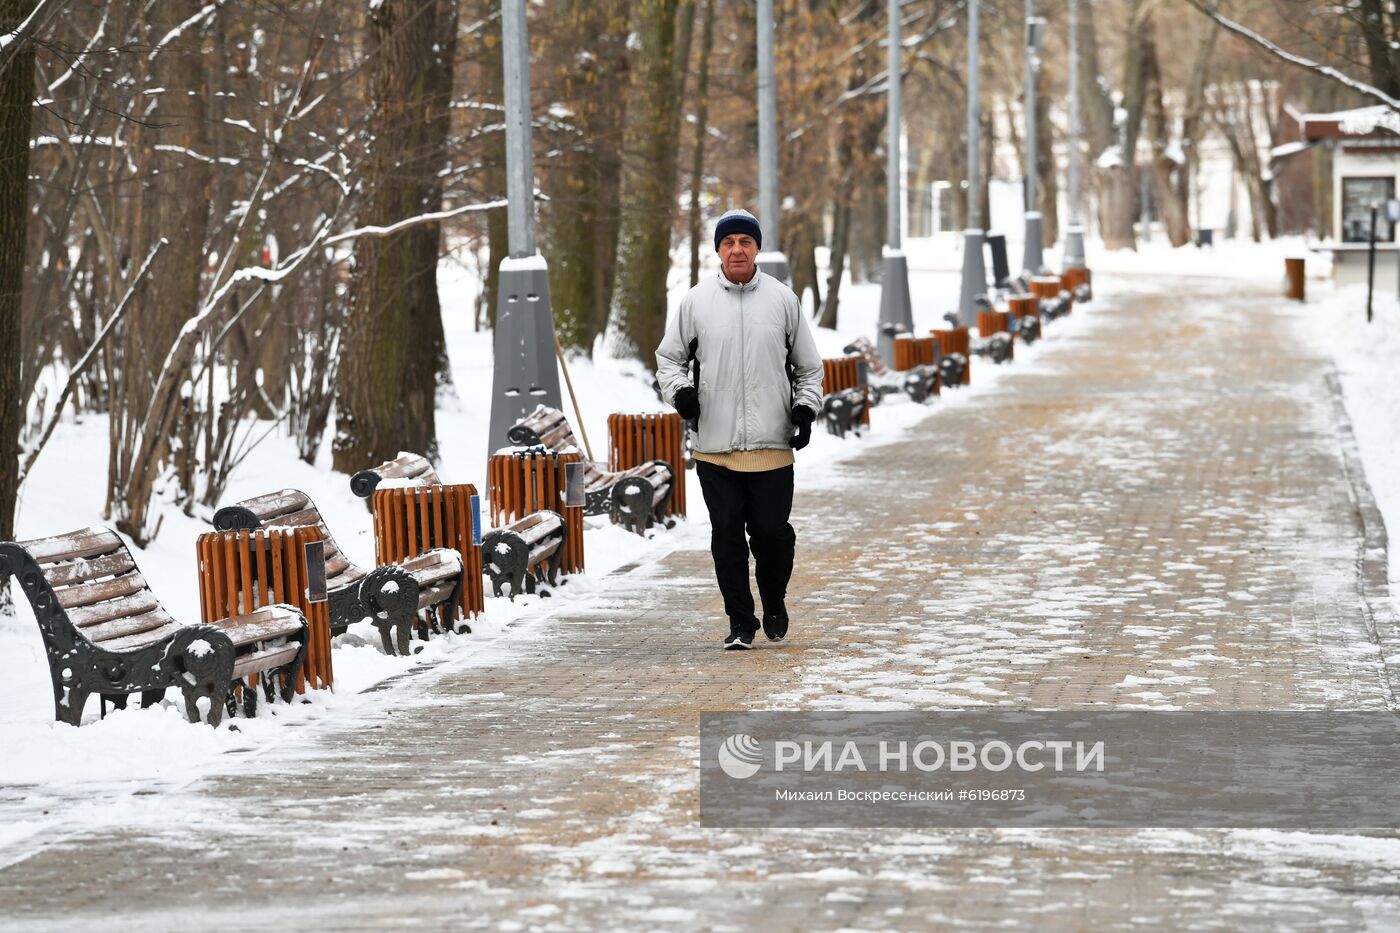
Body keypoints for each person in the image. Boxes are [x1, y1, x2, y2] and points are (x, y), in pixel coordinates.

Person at [655, 208, 824, 649]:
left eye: (744, 242)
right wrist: (681, 393)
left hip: (772, 445)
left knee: (771, 534)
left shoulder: (784, 301)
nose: (736, 249)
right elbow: (669, 359)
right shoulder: (696, 302)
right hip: (715, 447)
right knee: (726, 536)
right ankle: (740, 622)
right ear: (717, 251)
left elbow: (809, 368)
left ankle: (774, 600)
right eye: (728, 243)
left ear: (757, 249)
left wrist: (804, 410)